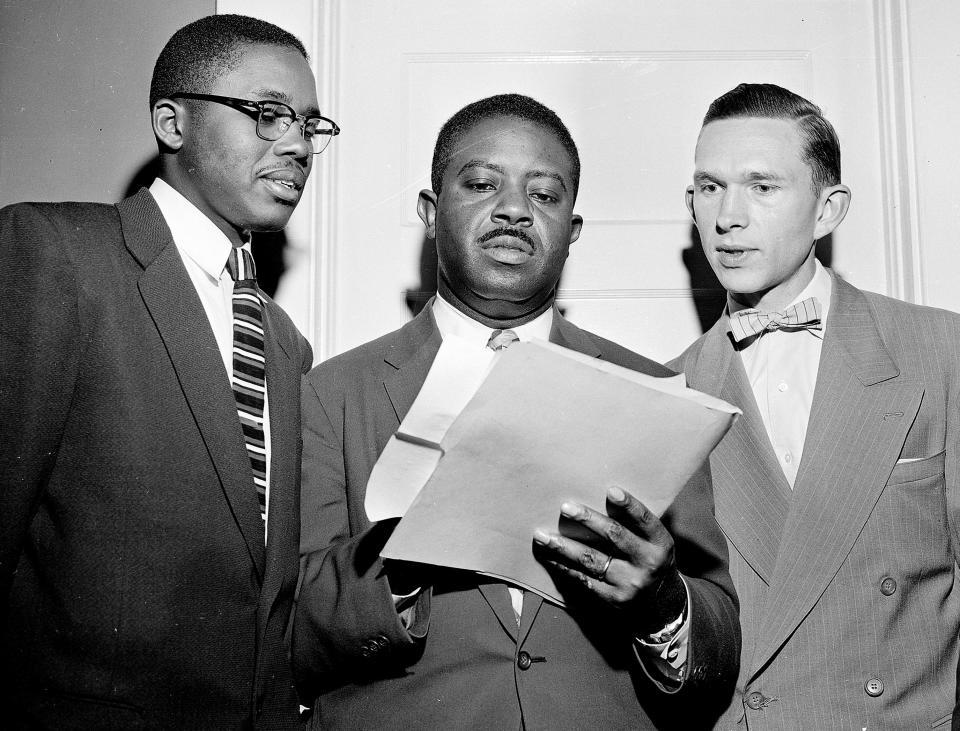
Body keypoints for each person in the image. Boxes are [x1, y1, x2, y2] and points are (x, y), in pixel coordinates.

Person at [293, 93, 739, 729]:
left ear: (572, 231)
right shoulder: (330, 394)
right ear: (429, 210)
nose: (513, 210)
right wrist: (402, 559)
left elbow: (718, 643)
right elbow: (288, 631)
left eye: (546, 194)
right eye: (480, 183)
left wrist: (662, 603)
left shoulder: (654, 392)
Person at [0, 14, 338, 729]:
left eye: (310, 124)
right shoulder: (57, 254)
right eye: (269, 113)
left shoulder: (283, 343)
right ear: (172, 122)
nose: (298, 145)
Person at [671, 82, 960, 730]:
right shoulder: (668, 394)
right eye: (709, 188)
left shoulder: (941, 350)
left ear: (828, 210)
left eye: (762, 186)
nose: (727, 217)